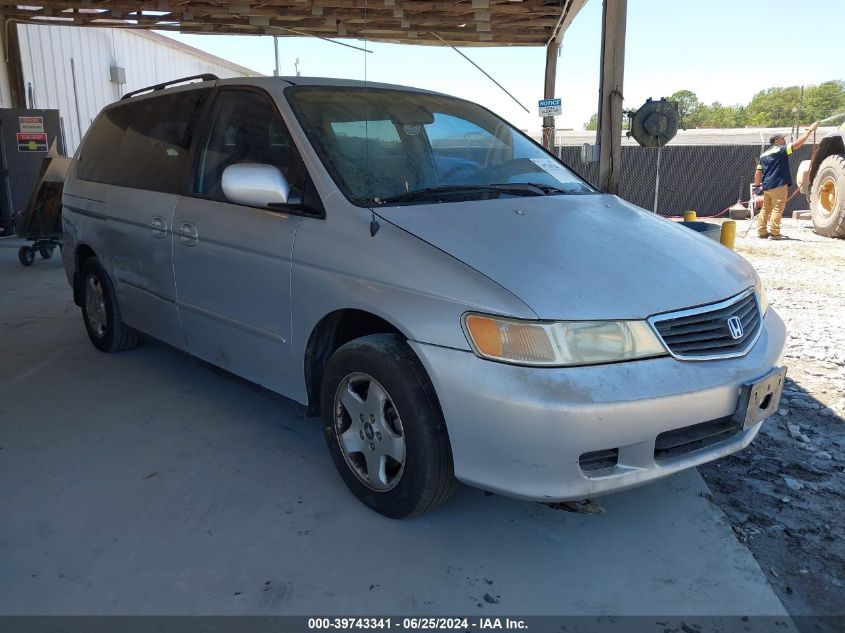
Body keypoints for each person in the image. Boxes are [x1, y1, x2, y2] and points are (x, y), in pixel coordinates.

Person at [754, 121, 819, 239]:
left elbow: (758, 172)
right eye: (782, 139)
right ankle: (774, 233)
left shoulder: (763, 155)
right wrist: (809, 130)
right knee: (777, 208)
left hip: (767, 186)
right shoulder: (781, 150)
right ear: (776, 141)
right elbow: (797, 144)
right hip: (778, 185)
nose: (784, 140)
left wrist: (757, 187)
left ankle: (762, 231)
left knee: (765, 209)